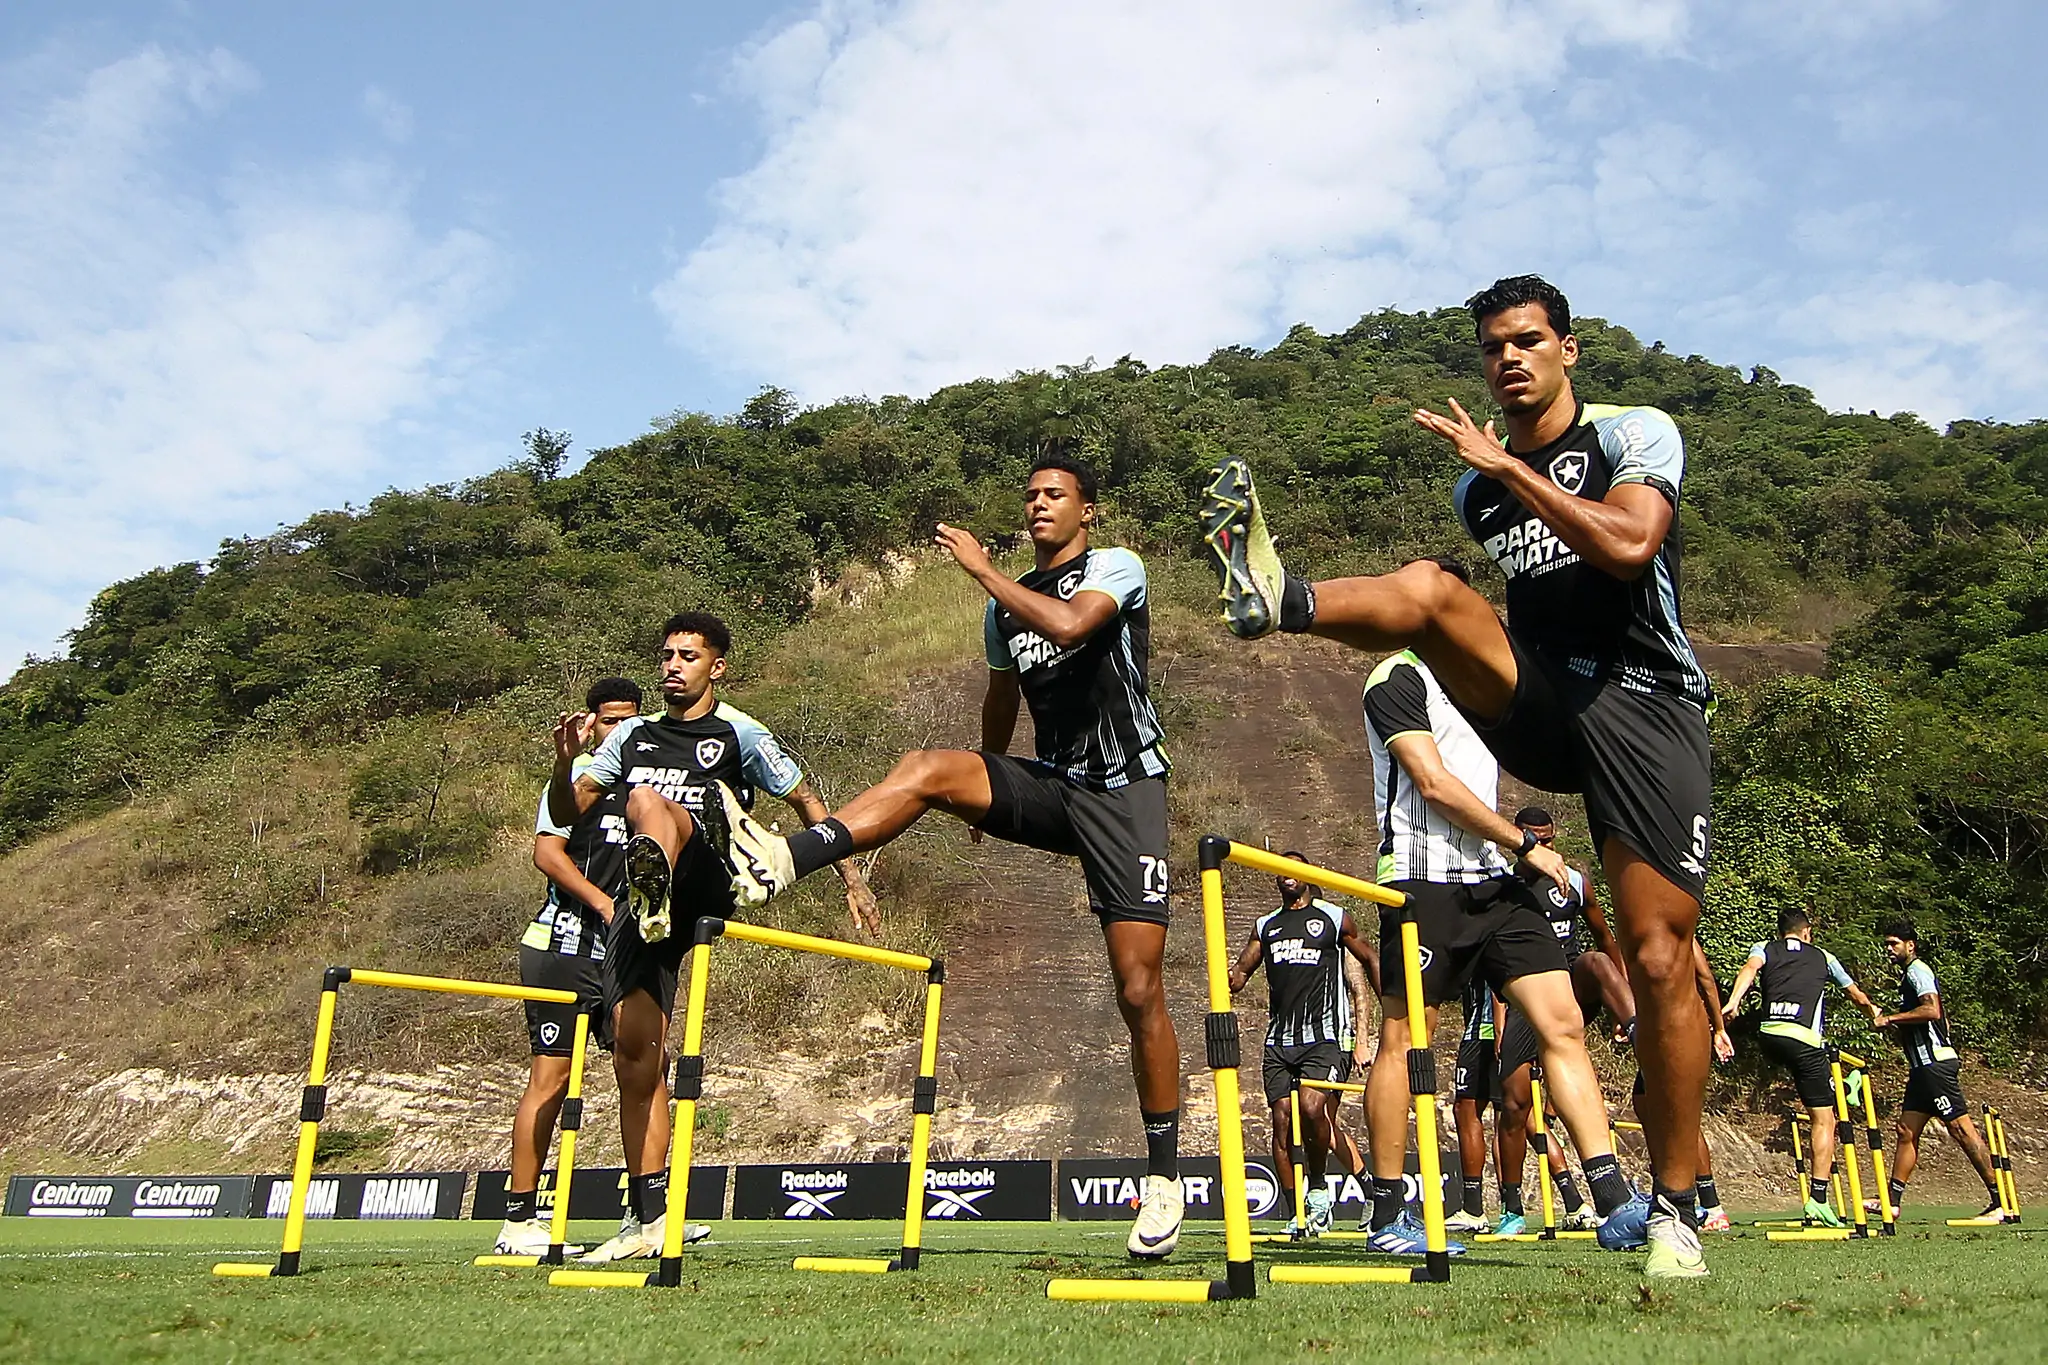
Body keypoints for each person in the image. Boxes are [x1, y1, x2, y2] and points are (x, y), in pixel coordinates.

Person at [1202, 274, 1716, 1276]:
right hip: (1541, 706)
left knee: (1656, 961)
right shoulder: (1470, 492)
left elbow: (1628, 546)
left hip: (1645, 706)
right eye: (1492, 348)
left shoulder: (1629, 434)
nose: (1508, 360)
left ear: (1567, 348)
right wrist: (1493, 474)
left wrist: (1510, 468)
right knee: (1434, 592)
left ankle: (1674, 1199)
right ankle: (1278, 595)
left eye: (1526, 341)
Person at [714, 455, 1188, 1259]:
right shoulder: (1002, 616)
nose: (1039, 504)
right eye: (1030, 495)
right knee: (927, 768)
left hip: (1126, 795)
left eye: (1054, 495)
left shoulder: (1116, 567)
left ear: (1088, 510)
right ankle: (787, 858)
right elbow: (1001, 696)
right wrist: (989, 785)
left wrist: (981, 568)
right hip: (1056, 785)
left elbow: (1072, 627)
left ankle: (1165, 1177)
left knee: (1138, 988)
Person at [547, 612, 876, 1261]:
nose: (673, 664)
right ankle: (648, 1219)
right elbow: (567, 812)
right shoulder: (631, 736)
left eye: (688, 655)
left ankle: (655, 883)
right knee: (637, 1060)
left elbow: (808, 801)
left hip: (710, 872)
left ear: (716, 666)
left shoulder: (740, 731)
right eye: (666, 653)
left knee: (648, 803)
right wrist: (565, 765)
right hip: (645, 913)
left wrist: (852, 878)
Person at [1350, 638, 1644, 1258]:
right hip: (1422, 881)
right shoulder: (1396, 677)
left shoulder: (1484, 678)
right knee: (1404, 1040)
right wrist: (1524, 844)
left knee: (1561, 1023)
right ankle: (1384, 1214)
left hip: (1493, 884)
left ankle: (1615, 1199)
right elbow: (1433, 784)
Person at [494, 677, 639, 1258]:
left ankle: (645, 1213)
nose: (620, 730)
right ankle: (519, 1220)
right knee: (550, 1079)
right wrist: (603, 903)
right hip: (562, 947)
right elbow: (545, 853)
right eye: (609, 721)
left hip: (627, 951)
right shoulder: (573, 783)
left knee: (645, 1073)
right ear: (589, 723)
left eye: (630, 720)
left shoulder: (647, 786)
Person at [1492, 806, 1638, 1233]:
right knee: (1515, 1103)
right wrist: (1500, 1022)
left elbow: (1605, 937)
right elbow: (1493, 963)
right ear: (1518, 840)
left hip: (1569, 983)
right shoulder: (1502, 886)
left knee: (1594, 961)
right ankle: (1513, 1208)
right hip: (1526, 991)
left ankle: (1636, 1027)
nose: (1544, 848)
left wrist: (1618, 998)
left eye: (1550, 840)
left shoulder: (1573, 882)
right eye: (1535, 839)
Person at [1228, 852, 1380, 1236]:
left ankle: (1323, 1191)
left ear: (1308, 876)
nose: (1287, 874)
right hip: (1280, 1042)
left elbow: (1365, 968)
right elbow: (1240, 974)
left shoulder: (1333, 918)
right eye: (1280, 869)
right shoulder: (1265, 926)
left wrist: (1384, 1022)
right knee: (1282, 1124)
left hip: (1326, 1039)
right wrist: (1223, 976)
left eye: (1294, 867)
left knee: (1315, 1111)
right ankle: (1301, 1212)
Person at [1722, 907, 1880, 1228]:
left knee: (1811, 1074)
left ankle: (1841, 1088)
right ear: (1807, 931)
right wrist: (1874, 1012)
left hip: (1770, 1037)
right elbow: (1855, 994)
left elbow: (1749, 969)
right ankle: (1818, 1200)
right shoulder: (1824, 957)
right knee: (1825, 1119)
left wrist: (1735, 1001)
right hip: (1804, 1041)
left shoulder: (1764, 948)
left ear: (1781, 932)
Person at [1872, 920, 2004, 1221]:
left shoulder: (1918, 971)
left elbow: (1932, 1010)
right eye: (1886, 944)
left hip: (1934, 1064)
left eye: (1893, 944)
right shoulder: (1908, 976)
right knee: (1906, 1131)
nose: (1889, 950)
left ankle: (2000, 1202)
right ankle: (1891, 1201)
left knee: (1960, 1129)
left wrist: (1891, 1019)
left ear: (1910, 945)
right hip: (1921, 1068)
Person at [1447, 978, 1505, 1234]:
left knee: (1466, 1109)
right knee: (1514, 1121)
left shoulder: (1475, 937)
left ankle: (1473, 1209)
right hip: (1510, 1031)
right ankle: (1511, 1210)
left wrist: (1499, 1029)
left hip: (1484, 1032)